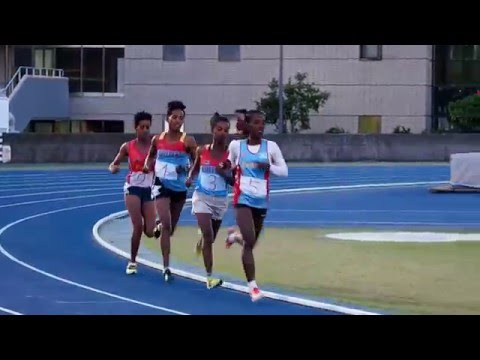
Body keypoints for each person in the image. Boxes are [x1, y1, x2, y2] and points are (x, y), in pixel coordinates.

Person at [221, 110, 288, 301]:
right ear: (249, 125)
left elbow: (284, 171)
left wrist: (270, 167)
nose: (261, 126)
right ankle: (253, 287)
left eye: (263, 123)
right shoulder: (236, 146)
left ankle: (234, 236)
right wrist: (225, 166)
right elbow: (230, 163)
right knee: (250, 240)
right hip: (242, 199)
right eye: (257, 123)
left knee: (251, 242)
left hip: (261, 201)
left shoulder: (271, 147)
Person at [143, 101, 197, 282]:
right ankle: (166, 267)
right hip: (161, 185)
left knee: (170, 228)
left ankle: (159, 225)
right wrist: (146, 165)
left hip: (180, 188)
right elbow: (151, 155)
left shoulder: (188, 140)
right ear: (167, 118)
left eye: (181, 118)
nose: (178, 121)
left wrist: (189, 175)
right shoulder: (157, 139)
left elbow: (196, 161)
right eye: (174, 117)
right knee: (167, 225)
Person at [186, 113, 233, 289]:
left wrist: (226, 175)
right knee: (208, 234)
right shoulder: (202, 150)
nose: (223, 133)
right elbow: (195, 167)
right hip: (201, 197)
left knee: (210, 239)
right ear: (212, 130)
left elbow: (236, 182)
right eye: (219, 129)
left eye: (226, 130)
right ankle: (209, 277)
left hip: (220, 200)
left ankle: (202, 243)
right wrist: (190, 178)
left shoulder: (231, 155)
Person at [108, 111, 156, 275]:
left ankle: (156, 227)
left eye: (147, 127)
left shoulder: (155, 147)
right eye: (142, 127)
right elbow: (113, 164)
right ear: (135, 128)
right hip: (132, 188)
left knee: (149, 232)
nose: (145, 130)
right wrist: (114, 168)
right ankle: (133, 261)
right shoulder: (128, 146)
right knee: (138, 226)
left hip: (149, 189)